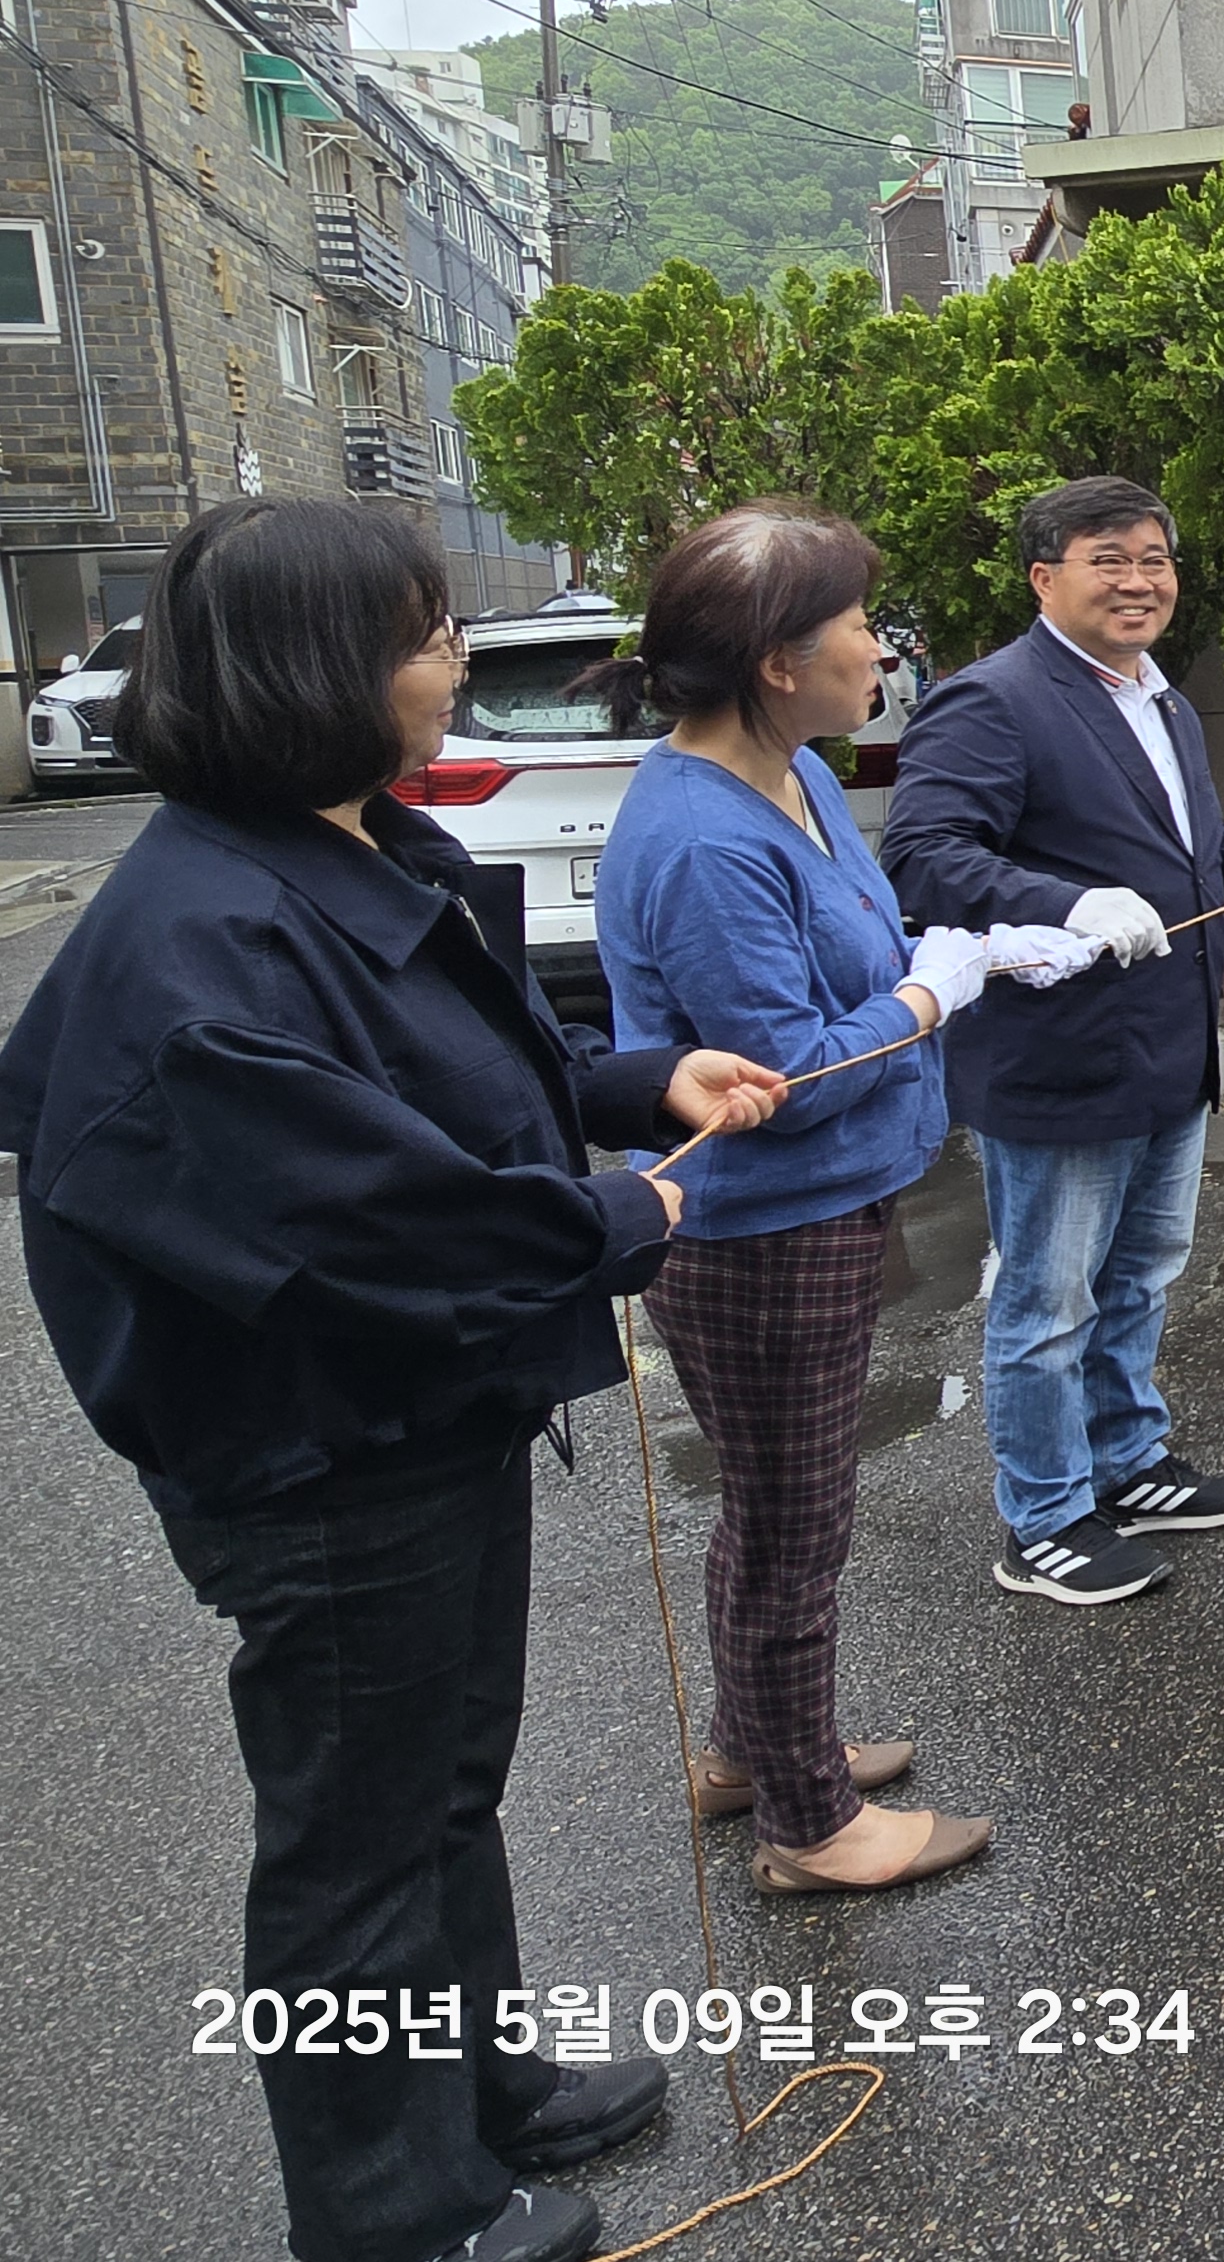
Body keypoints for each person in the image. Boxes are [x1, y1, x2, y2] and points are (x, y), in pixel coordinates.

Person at [0, 498, 787, 2262]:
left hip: (428, 1416)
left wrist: (631, 1085)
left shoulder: (343, 845)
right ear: (317, 669)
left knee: (443, 1782)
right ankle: (389, 2212)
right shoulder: (203, 943)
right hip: (317, 1455)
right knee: (353, 1842)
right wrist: (609, 1219)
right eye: (429, 637)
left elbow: (463, 1063)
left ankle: (481, 2087)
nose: (453, 664)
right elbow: (363, 1210)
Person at [592, 503, 996, 1895]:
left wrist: (938, 961)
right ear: (777, 662)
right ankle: (810, 1826)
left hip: (828, 1207)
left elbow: (859, 954)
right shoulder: (705, 840)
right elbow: (793, 1073)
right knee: (791, 1528)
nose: (881, 650)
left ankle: (753, 1749)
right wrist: (930, 995)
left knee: (775, 1511)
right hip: (766, 1233)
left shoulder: (799, 771)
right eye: (860, 627)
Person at [881, 475, 1224, 1606]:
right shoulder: (993, 700)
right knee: (1048, 1301)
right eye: (1108, 559)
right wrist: (1065, 904)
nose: (1139, 580)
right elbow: (922, 857)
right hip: (1060, 1053)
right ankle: (1045, 1516)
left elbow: (1185, 864)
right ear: (1042, 577)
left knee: (1143, 1274)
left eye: (1154, 559)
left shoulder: (1165, 702)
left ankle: (1127, 1458)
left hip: (1168, 1045)